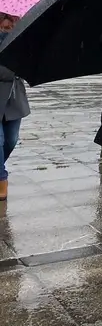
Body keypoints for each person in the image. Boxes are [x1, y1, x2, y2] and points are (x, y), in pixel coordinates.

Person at [0, 13, 30, 201]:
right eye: (3, 26)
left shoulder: (21, 41)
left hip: (13, 99)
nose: (6, 29)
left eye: (10, 26)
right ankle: (1, 179)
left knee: (11, 140)